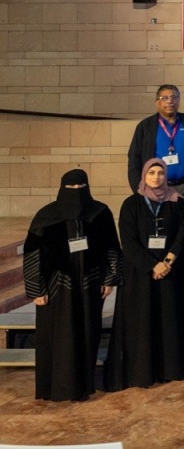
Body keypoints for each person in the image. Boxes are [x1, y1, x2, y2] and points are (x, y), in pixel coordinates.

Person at [23, 169, 121, 401]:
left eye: (80, 187)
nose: (76, 192)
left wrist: (109, 279)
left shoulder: (99, 213)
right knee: (59, 337)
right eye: (71, 188)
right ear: (62, 188)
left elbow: (111, 247)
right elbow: (32, 253)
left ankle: (83, 386)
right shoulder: (47, 215)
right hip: (57, 287)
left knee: (87, 333)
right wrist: (36, 289)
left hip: (90, 284)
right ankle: (56, 387)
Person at [104, 159, 184, 391]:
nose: (156, 177)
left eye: (160, 173)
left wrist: (168, 261)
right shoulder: (131, 204)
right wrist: (153, 266)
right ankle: (142, 371)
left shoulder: (176, 202)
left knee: (168, 321)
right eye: (151, 173)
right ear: (144, 175)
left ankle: (169, 369)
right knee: (142, 322)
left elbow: (183, 233)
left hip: (170, 273)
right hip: (139, 274)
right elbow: (128, 241)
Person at [126, 84, 184, 286]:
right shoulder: (146, 126)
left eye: (174, 97)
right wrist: (139, 189)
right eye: (165, 97)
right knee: (158, 233)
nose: (170, 101)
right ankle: (155, 277)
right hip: (155, 190)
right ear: (157, 102)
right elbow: (134, 158)